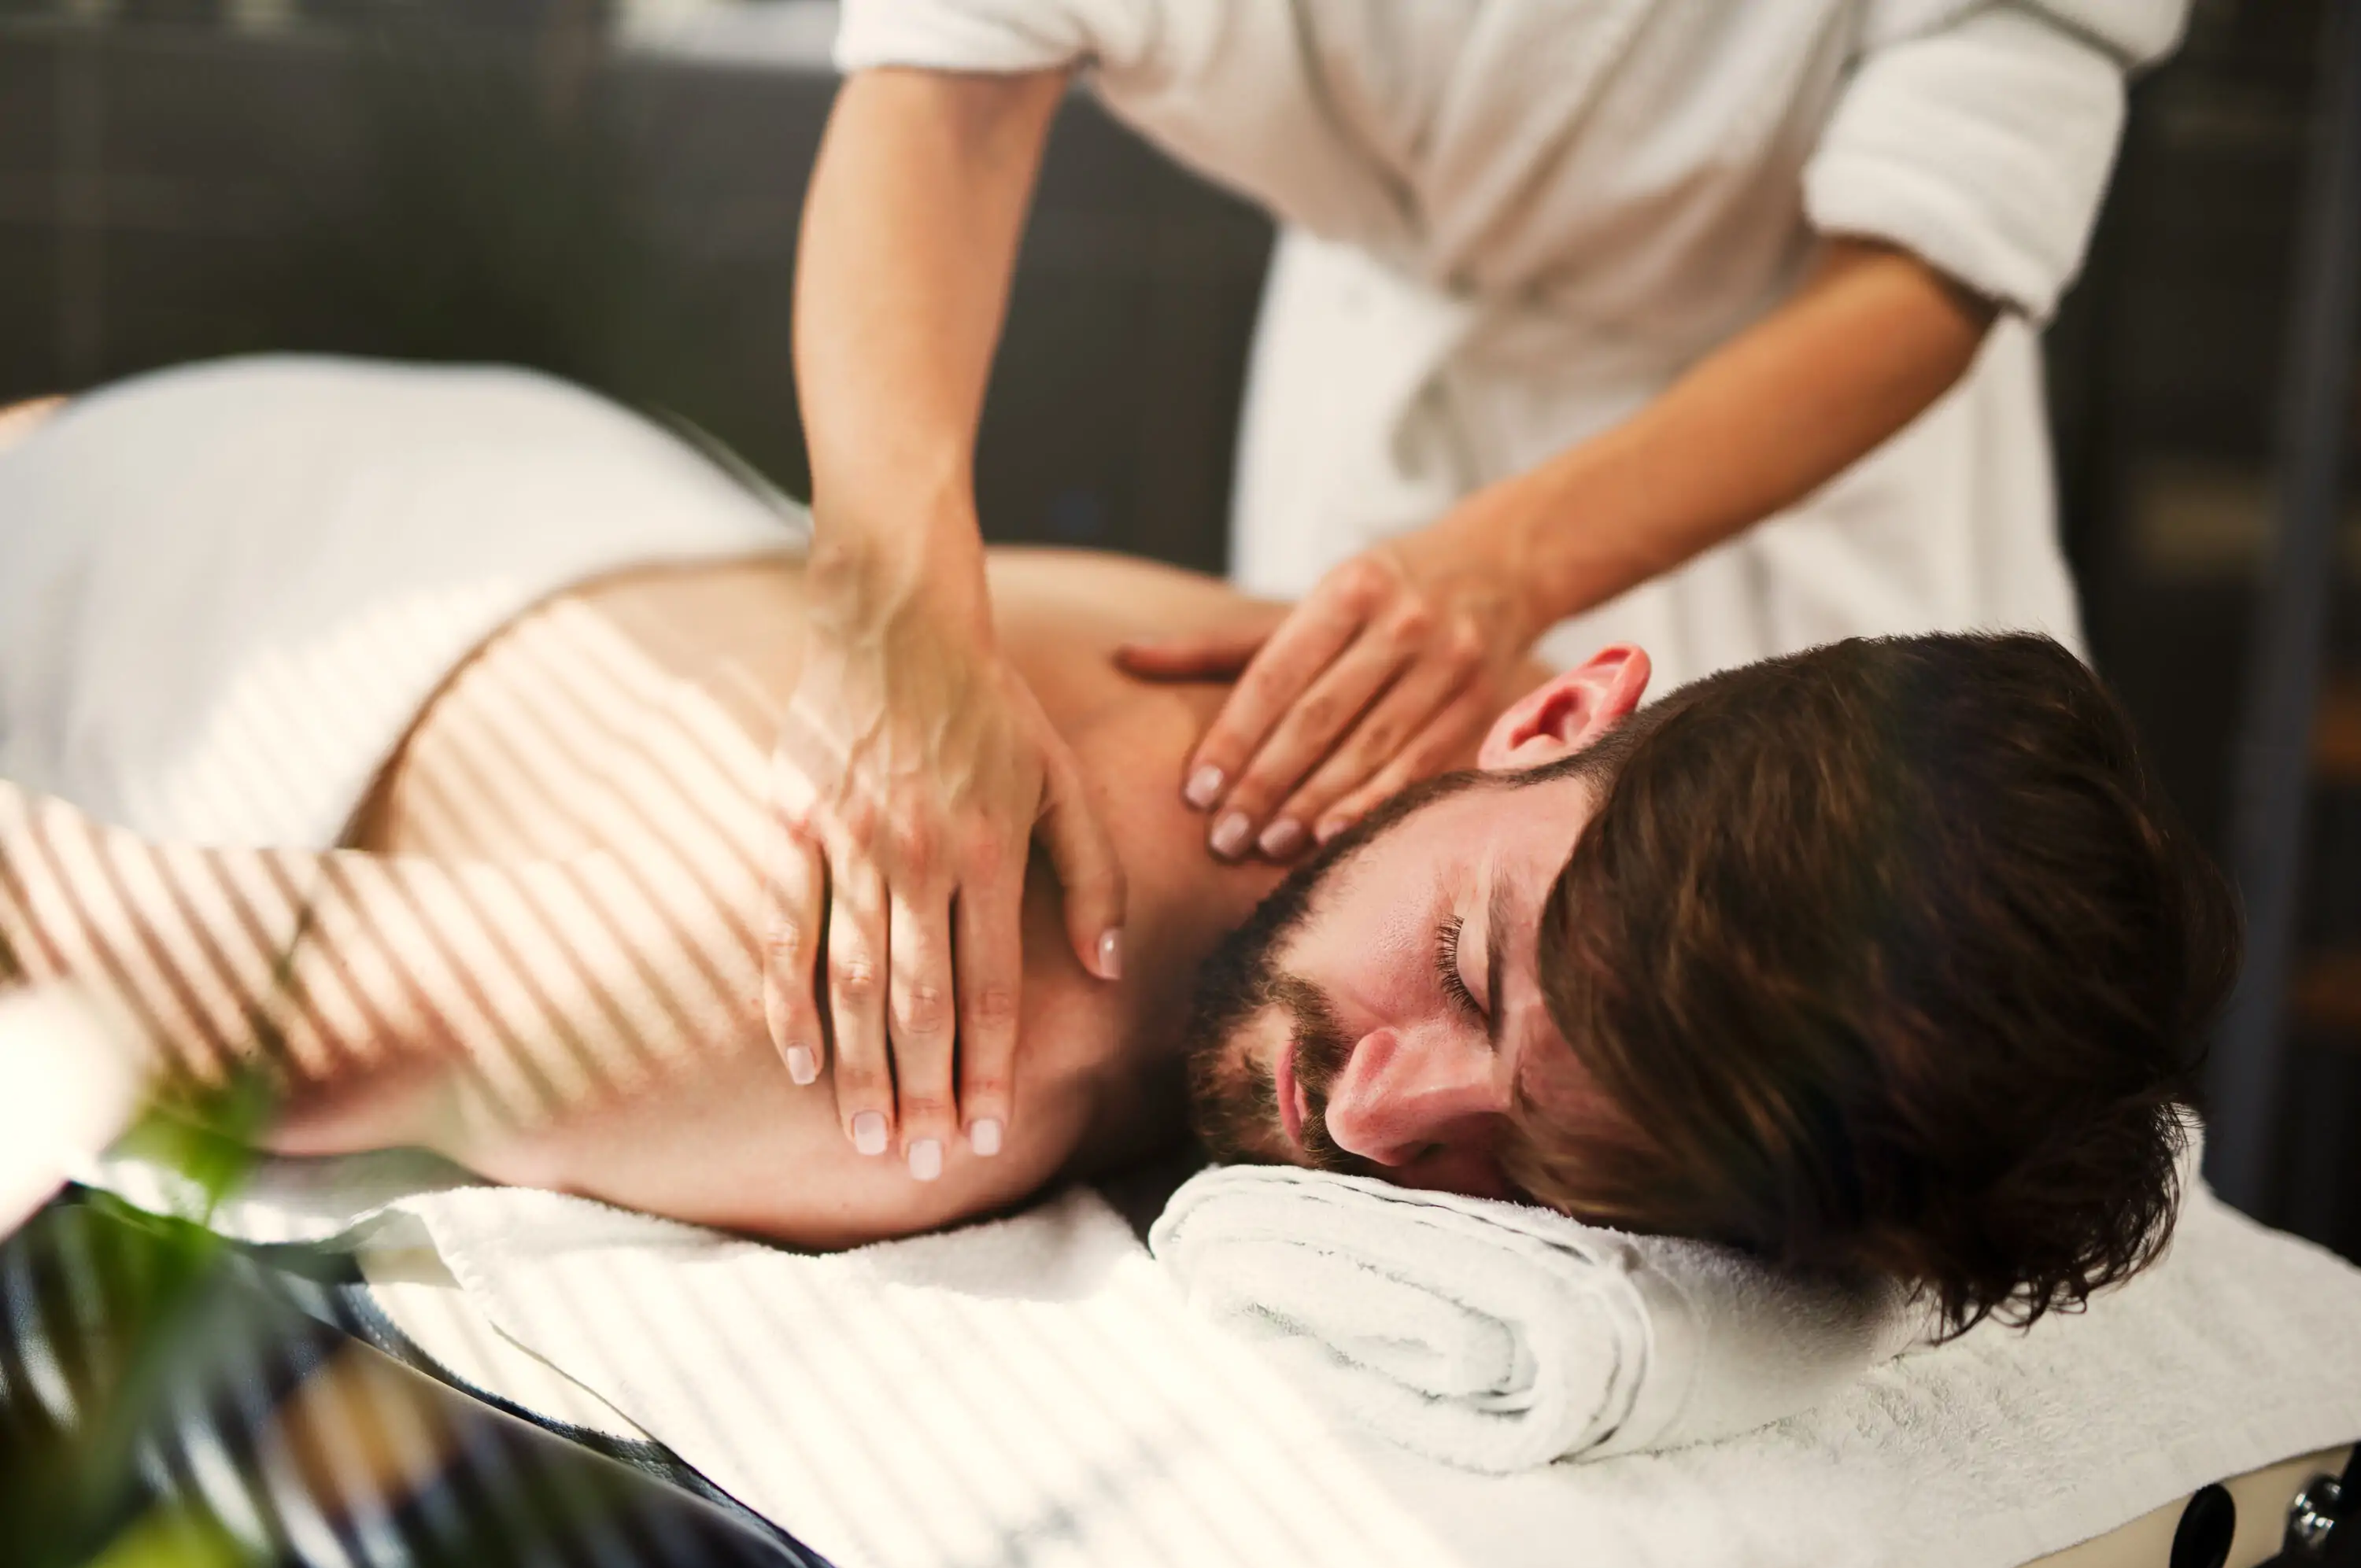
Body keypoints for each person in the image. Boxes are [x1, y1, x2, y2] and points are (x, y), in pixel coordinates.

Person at [0, 361, 2234, 1335]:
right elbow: (120, 976)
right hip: (136, 550)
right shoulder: (896, 1027)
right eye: (1460, 973)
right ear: (1559, 703)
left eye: (1526, 1174)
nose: (1366, 1115)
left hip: (492, 476)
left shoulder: (1401, 735)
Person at [774, 0, 2193, 1166]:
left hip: (1794, 447)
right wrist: (897, 602)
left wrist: (1508, 564)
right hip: (1394, 357)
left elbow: (1932, 265)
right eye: (1456, 958)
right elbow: (948, 87)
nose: (1365, 1114)